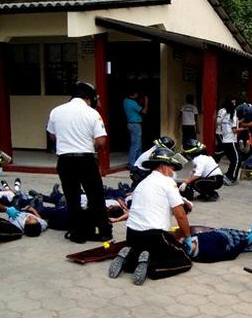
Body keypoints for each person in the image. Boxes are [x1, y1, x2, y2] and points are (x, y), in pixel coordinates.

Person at [109, 147, 193, 285]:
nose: (173, 171)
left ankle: (130, 259)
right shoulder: (167, 182)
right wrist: (188, 237)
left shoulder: (142, 184)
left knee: (146, 249)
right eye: (172, 167)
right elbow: (181, 215)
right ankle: (151, 266)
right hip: (153, 235)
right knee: (184, 259)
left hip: (132, 235)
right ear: (164, 166)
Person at [46, 82, 112, 244]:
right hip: (86, 159)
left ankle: (78, 233)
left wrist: (67, 141)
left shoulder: (56, 111)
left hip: (65, 160)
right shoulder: (92, 113)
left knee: (72, 197)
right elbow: (101, 141)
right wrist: (90, 146)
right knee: (95, 195)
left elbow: (52, 136)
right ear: (88, 98)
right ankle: (103, 231)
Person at [215, 99, 242, 185]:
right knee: (237, 159)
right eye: (233, 103)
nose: (234, 104)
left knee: (233, 159)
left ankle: (227, 175)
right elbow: (234, 130)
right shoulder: (233, 113)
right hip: (231, 140)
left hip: (225, 139)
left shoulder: (223, 112)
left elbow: (220, 122)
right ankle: (231, 178)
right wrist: (246, 128)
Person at [123, 89, 148, 168]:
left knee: (138, 145)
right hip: (135, 125)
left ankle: (138, 162)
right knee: (135, 145)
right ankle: (132, 164)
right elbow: (144, 111)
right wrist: (146, 102)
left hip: (130, 124)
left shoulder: (125, 101)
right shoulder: (133, 103)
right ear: (134, 94)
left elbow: (134, 109)